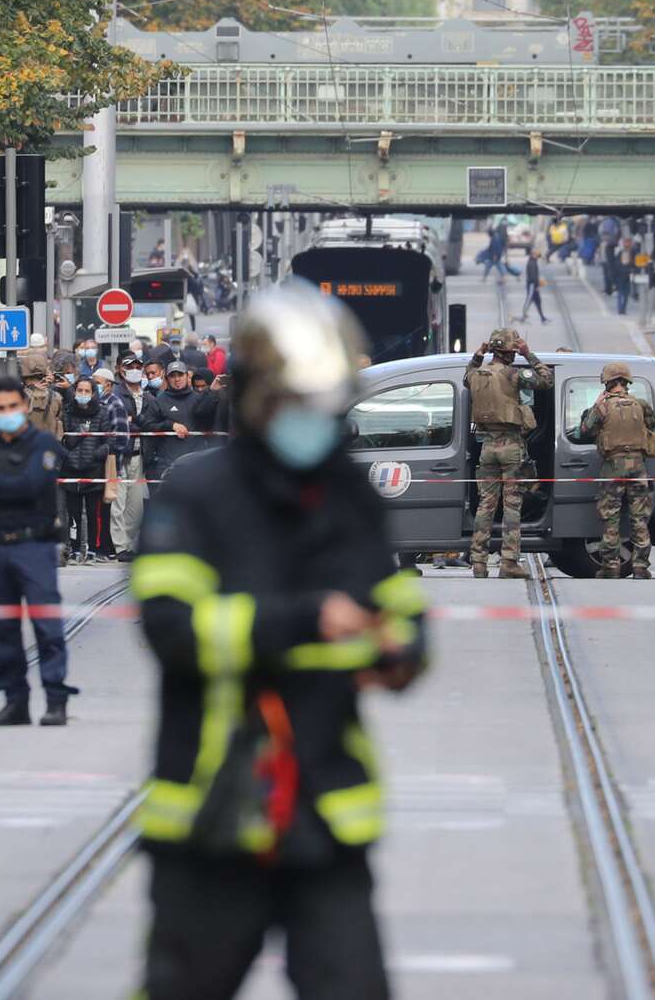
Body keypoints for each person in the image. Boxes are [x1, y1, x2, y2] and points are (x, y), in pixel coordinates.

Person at [131, 285, 428, 1000]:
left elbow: (394, 600)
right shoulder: (195, 495)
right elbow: (171, 626)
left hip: (325, 812)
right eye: (300, 403)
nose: (314, 422)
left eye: (326, 404)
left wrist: (401, 649)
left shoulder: (348, 493)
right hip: (213, 813)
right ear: (258, 398)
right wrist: (304, 621)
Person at [0, 379, 73, 727]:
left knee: (47, 625)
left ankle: (55, 699)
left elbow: (31, 486)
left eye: (13, 406)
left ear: (25, 407)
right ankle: (15, 700)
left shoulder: (43, 443)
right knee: (0, 628)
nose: (7, 414)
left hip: (34, 546)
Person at [465, 328, 553, 578]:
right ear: (509, 353)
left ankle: (479, 562)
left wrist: (478, 355)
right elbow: (546, 380)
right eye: (514, 351)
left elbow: (466, 377)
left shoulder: (475, 375)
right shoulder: (514, 374)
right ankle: (509, 562)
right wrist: (530, 354)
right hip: (511, 446)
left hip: (487, 447)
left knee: (485, 505)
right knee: (512, 506)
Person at [578, 362, 655, 578]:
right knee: (639, 516)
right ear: (626, 382)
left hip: (612, 468)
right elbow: (651, 424)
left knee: (610, 516)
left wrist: (595, 406)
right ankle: (641, 566)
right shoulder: (640, 404)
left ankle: (611, 565)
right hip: (638, 467)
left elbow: (584, 430)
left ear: (607, 383)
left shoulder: (603, 407)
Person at [58, 376, 115, 564]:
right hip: (71, 471)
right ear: (74, 392)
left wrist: (97, 454)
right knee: (73, 515)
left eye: (87, 391)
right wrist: (67, 456)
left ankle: (92, 550)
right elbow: (60, 440)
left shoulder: (102, 413)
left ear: (93, 393)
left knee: (93, 514)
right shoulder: (66, 413)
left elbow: (109, 440)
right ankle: (75, 550)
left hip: (94, 471)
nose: (83, 394)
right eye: (79, 390)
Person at [107, 357, 149, 560]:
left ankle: (131, 545)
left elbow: (151, 422)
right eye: (130, 367)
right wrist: (136, 424)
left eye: (138, 367)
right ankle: (120, 547)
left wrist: (137, 422)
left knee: (136, 505)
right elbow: (118, 424)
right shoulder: (117, 395)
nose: (134, 370)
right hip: (121, 454)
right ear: (122, 371)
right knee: (119, 503)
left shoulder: (148, 395)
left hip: (141, 456)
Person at [138, 362, 209, 481]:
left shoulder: (199, 399)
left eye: (180, 375)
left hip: (196, 461)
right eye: (173, 376)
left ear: (187, 376)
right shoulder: (159, 401)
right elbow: (148, 425)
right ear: (166, 378)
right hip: (168, 464)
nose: (177, 379)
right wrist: (170, 425)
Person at [518, 248, 549, 325]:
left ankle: (543, 318)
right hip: (532, 285)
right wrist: (537, 285)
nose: (538, 257)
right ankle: (523, 317)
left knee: (538, 302)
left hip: (534, 285)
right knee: (529, 301)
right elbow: (533, 277)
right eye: (537, 255)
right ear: (533, 255)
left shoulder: (533, 262)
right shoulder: (531, 263)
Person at [609, 240, 635, 316]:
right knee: (622, 293)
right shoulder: (622, 253)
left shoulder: (630, 253)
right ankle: (621, 309)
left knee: (624, 293)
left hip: (625, 276)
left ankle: (622, 309)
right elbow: (616, 265)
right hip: (622, 276)